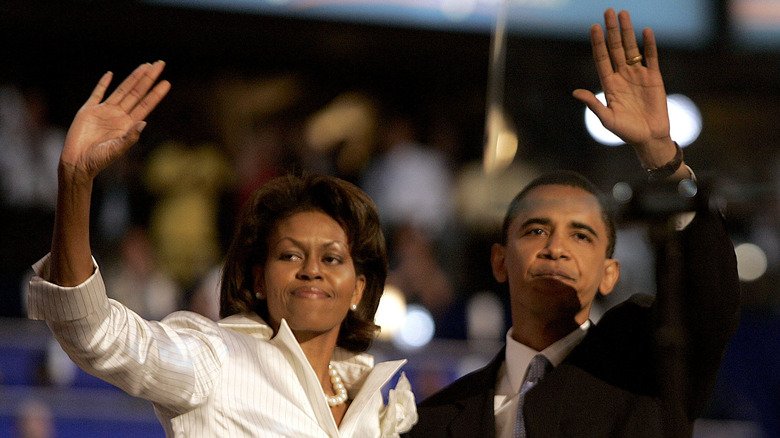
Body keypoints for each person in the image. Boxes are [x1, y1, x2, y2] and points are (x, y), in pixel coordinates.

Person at [27, 61, 417, 436]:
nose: (311, 269)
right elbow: (96, 333)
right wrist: (76, 182)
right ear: (258, 279)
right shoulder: (216, 360)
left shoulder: (373, 401)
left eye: (331, 258)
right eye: (290, 255)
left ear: (359, 289)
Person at [407, 8, 740, 438]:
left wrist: (662, 157)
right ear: (500, 260)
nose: (556, 247)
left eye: (581, 235)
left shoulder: (649, 369)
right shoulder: (436, 418)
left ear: (609, 274)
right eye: (536, 230)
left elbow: (711, 298)